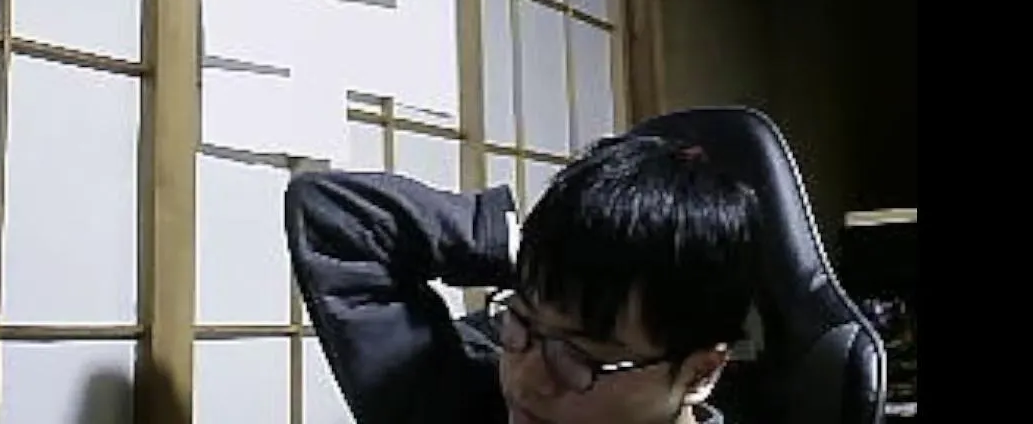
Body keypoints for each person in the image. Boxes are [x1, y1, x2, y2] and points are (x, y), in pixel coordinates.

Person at [284, 129, 763, 424]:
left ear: (700, 373)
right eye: (520, 321)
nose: (526, 379)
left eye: (579, 356)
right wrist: (529, 250)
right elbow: (335, 216)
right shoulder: (471, 404)